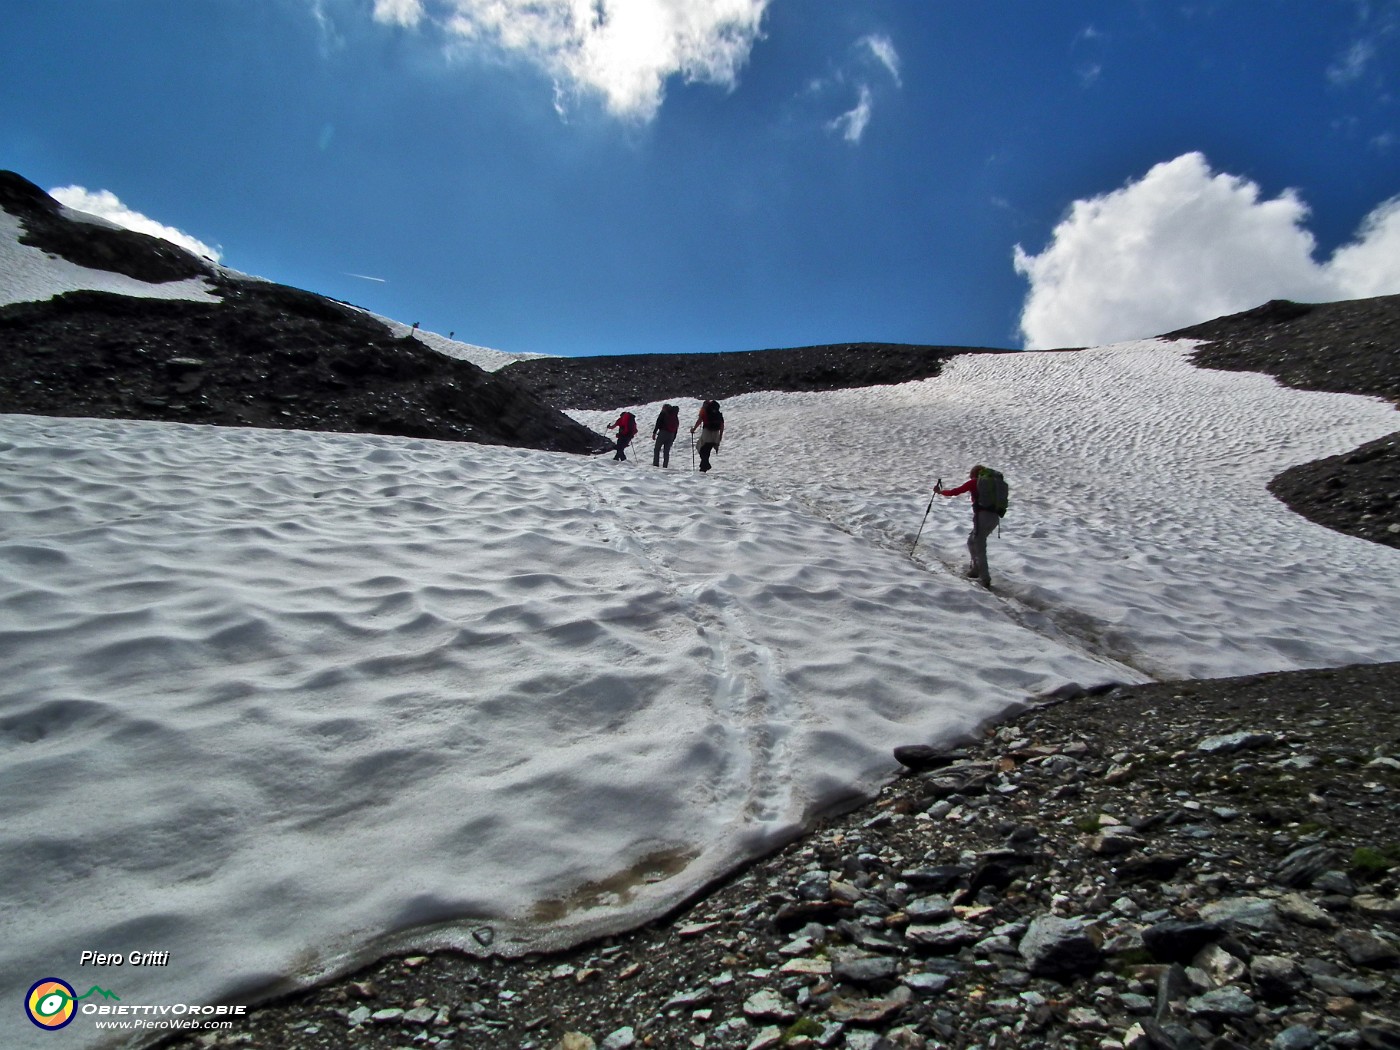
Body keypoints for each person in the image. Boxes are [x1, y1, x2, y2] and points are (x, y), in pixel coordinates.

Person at [936, 464, 1001, 588]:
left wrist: (940, 492)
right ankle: (976, 569)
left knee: (979, 546)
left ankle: (985, 578)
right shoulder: (993, 485)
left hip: (982, 516)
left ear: (973, 474)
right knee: (972, 541)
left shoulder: (974, 483)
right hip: (994, 518)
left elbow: (955, 492)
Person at [690, 399, 725, 473]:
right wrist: (720, 436)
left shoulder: (704, 410)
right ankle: (704, 467)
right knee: (707, 450)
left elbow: (699, 420)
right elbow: (722, 425)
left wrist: (693, 429)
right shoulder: (717, 413)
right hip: (715, 434)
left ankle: (705, 466)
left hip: (707, 432)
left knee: (700, 447)